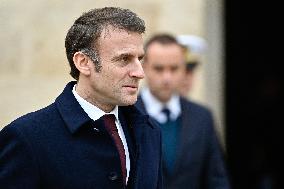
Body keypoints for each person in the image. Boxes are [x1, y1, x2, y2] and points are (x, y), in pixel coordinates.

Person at [0, 7, 163, 189]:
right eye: (124, 59)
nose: (139, 72)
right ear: (84, 63)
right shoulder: (26, 137)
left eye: (139, 59)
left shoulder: (149, 130)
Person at [135, 33, 231, 189]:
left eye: (174, 69)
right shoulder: (125, 113)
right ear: (144, 67)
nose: (167, 77)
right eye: (159, 69)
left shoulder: (202, 117)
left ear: (184, 70)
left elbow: (216, 178)